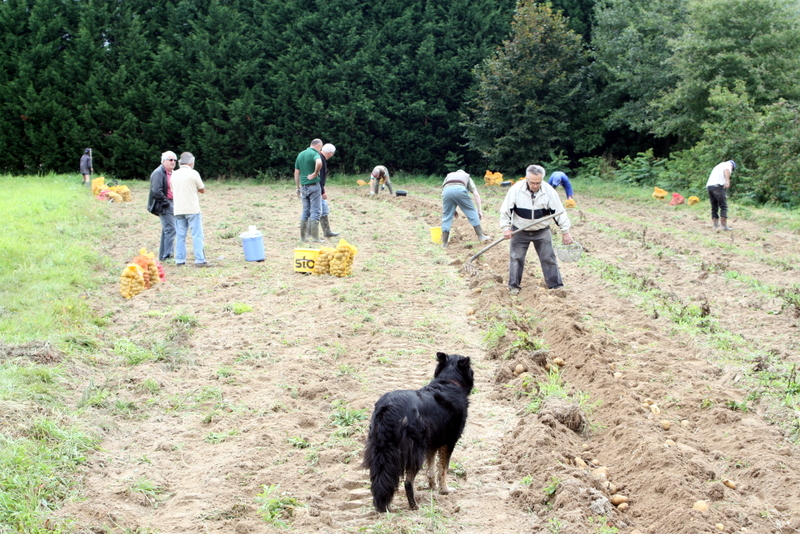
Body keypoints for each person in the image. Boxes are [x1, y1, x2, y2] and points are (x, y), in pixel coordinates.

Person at [499, 164, 573, 294]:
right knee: (516, 258)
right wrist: (506, 228)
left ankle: (555, 286)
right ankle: (514, 286)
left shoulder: (549, 191)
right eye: (532, 182)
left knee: (548, 258)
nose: (535, 185)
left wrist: (565, 231)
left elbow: (559, 212)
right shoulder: (516, 190)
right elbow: (505, 210)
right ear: (527, 179)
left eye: (538, 183)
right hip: (520, 230)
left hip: (542, 230)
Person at [171, 152, 210, 267]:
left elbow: (172, 190)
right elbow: (202, 189)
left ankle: (180, 260)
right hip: (192, 209)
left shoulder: (174, 174)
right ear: (191, 162)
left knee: (180, 236)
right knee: (197, 235)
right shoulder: (193, 173)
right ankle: (199, 259)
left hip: (178, 209)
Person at [440, 169, 491, 247]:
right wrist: (479, 210)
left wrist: (451, 209)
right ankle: (481, 236)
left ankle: (444, 243)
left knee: (447, 216)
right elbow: (476, 194)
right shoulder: (466, 176)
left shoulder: (449, 176)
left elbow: (443, 193)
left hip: (446, 192)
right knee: (471, 211)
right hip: (460, 190)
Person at [146, 151, 178, 261]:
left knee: (167, 230)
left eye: (174, 160)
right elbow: (156, 191)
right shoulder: (158, 173)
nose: (173, 162)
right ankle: (167, 255)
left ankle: (164, 255)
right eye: (170, 160)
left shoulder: (171, 172)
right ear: (163, 161)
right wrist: (165, 203)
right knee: (171, 229)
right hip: (164, 204)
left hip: (171, 202)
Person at [294, 139, 324, 242]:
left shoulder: (301, 154)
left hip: (303, 187)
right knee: (315, 211)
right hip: (314, 186)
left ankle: (303, 237)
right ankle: (315, 238)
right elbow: (319, 162)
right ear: (318, 145)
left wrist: (298, 188)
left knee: (305, 211)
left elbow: (296, 173)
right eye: (321, 147)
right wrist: (315, 173)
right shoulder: (314, 153)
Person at [706, 160, 735, 231]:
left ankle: (715, 226)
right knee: (723, 206)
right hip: (717, 187)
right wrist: (727, 181)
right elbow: (727, 170)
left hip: (710, 186)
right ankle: (723, 226)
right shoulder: (728, 164)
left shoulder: (719, 165)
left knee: (714, 207)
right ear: (732, 166)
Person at [319, 143, 340, 238]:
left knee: (323, 210)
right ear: (330, 153)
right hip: (317, 190)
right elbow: (319, 177)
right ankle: (312, 234)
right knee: (320, 210)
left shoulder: (319, 157)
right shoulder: (321, 160)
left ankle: (327, 232)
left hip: (316, 188)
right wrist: (322, 192)